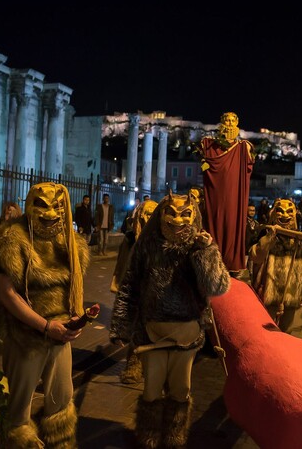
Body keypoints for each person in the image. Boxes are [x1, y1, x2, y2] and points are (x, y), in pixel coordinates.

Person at [109, 190, 230, 448]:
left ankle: (174, 437)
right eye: (171, 212)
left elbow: (217, 287)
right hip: (152, 331)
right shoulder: (147, 245)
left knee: (180, 389)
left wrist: (206, 252)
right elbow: (130, 284)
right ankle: (148, 437)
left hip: (186, 334)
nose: (178, 219)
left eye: (185, 213)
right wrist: (121, 325)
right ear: (161, 215)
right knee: (151, 389)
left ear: (194, 215)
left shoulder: (198, 247)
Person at [0, 182, 89, 448]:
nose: (50, 213)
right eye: (41, 204)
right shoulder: (11, 240)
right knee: (18, 411)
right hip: (24, 338)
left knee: (61, 403)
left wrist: (77, 319)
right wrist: (45, 326)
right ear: (29, 204)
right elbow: (7, 295)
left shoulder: (70, 243)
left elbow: (73, 289)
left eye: (57, 205)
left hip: (60, 337)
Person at [196, 111, 255, 275]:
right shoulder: (209, 145)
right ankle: (214, 257)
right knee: (214, 219)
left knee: (232, 221)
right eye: (226, 120)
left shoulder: (243, 147)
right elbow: (204, 165)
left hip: (234, 193)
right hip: (216, 192)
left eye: (232, 120)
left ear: (237, 123)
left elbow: (249, 164)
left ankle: (231, 260)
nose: (229, 123)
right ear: (221, 123)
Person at [249, 198, 302, 334]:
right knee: (266, 331)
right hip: (269, 295)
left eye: (289, 211)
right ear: (273, 213)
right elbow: (255, 257)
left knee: (286, 332)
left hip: (292, 294)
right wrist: (269, 238)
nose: (285, 215)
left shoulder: (301, 242)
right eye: (280, 211)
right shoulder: (266, 236)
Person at [110, 199, 158, 384]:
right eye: (145, 214)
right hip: (135, 291)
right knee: (137, 330)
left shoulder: (162, 240)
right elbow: (122, 264)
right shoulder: (130, 239)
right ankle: (133, 365)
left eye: (152, 214)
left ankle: (151, 367)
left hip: (155, 293)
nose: (148, 218)